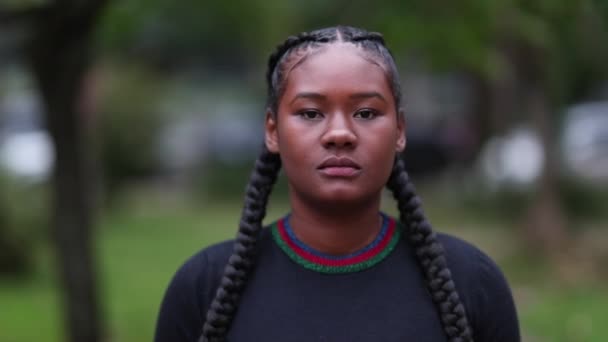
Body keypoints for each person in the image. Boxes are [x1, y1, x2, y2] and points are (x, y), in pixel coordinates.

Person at [155, 26, 520, 342]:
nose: (340, 134)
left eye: (366, 113)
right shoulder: (202, 287)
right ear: (272, 131)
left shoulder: (472, 282)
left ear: (400, 131)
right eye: (311, 113)